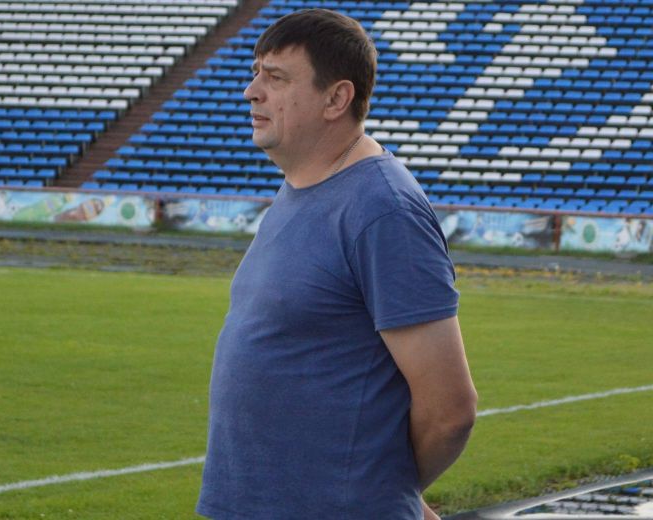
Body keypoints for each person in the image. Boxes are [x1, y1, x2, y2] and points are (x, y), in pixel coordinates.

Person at [197, 8, 478, 519]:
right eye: (256, 73)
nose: (251, 91)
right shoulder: (303, 185)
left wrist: (378, 491)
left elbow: (450, 410)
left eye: (275, 77)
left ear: (336, 99)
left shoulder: (383, 209)